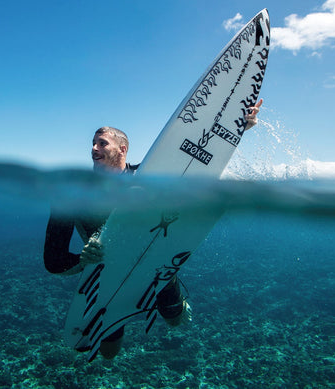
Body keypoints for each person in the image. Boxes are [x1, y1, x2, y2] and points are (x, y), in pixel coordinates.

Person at [44, 101, 262, 359]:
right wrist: (83, 259)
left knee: (176, 321)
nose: (93, 148)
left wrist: (237, 130)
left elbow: (198, 168)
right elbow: (52, 260)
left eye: (102, 143)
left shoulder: (148, 179)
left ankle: (175, 306)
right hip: (109, 278)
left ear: (122, 149)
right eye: (93, 143)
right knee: (109, 353)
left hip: (156, 268)